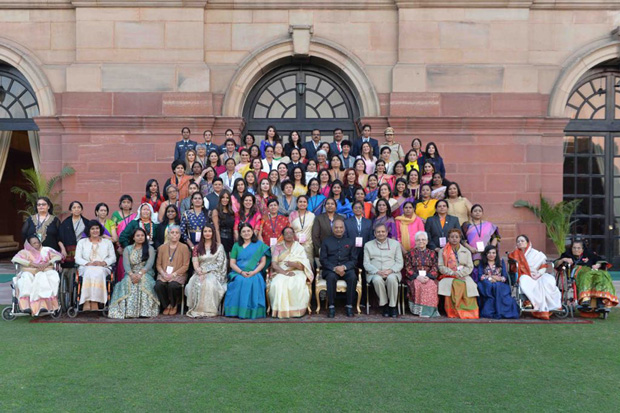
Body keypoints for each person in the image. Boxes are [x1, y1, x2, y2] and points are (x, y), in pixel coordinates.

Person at [108, 228, 159, 319]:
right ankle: (129, 312)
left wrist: (140, 274)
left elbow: (149, 263)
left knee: (143, 281)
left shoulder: (150, 249)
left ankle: (145, 311)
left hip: (145, 273)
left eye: (142, 235)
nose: (140, 237)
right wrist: (131, 275)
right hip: (130, 273)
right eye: (138, 236)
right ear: (133, 238)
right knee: (128, 282)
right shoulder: (128, 249)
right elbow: (126, 265)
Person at [555, 240, 618, 313]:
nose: (576, 250)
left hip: (592, 271)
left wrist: (598, 265)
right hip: (578, 273)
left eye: (578, 248)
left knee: (603, 275)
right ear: (571, 248)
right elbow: (556, 263)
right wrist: (564, 259)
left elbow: (599, 260)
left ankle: (600, 301)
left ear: (583, 249)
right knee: (586, 275)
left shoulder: (589, 254)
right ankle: (585, 299)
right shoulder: (567, 255)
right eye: (574, 248)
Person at [508, 235, 561, 320]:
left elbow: (543, 266)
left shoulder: (537, 254)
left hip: (538, 274)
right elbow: (513, 268)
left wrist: (539, 274)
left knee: (548, 280)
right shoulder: (514, 254)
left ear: (527, 242)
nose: (520, 243)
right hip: (524, 275)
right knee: (525, 280)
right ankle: (533, 303)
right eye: (518, 241)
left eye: (522, 241)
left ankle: (551, 305)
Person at [224, 223, 270, 319]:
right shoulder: (236, 246)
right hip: (238, 272)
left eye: (248, 231)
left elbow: (263, 262)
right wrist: (241, 272)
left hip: (255, 272)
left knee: (254, 280)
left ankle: (253, 311)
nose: (246, 233)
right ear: (240, 234)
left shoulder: (259, 245)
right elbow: (232, 263)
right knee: (240, 280)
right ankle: (236, 311)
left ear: (252, 232)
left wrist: (254, 272)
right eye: (243, 231)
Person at [11, 235, 62, 315]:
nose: (37, 244)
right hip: (30, 272)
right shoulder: (25, 252)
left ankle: (43, 306)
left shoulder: (46, 250)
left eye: (38, 242)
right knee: (26, 278)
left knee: (42, 277)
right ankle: (26, 307)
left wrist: (48, 263)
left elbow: (58, 256)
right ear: (29, 245)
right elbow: (15, 259)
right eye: (34, 243)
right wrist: (32, 264)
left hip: (45, 271)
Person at [269, 227, 313, 318]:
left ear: (294, 235)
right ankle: (281, 310)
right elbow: (274, 265)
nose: (289, 235)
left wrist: (294, 264)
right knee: (277, 283)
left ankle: (297, 311)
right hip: (280, 271)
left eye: (290, 233)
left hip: (297, 271)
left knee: (297, 282)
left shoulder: (299, 248)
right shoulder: (278, 247)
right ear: (283, 235)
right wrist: (285, 273)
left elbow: (303, 266)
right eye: (286, 233)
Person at [186, 224, 228, 318]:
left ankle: (209, 310)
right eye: (205, 231)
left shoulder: (219, 247)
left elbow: (219, 264)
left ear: (213, 233)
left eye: (209, 231)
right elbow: (195, 261)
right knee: (193, 283)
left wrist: (205, 270)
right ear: (202, 233)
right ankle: (197, 309)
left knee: (208, 283)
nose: (207, 233)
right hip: (200, 271)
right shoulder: (197, 247)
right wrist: (198, 270)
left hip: (215, 271)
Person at [320, 220, 359, 318]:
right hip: (330, 269)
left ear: (344, 229)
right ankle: (331, 306)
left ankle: (349, 306)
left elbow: (354, 260)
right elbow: (323, 260)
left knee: (353, 277)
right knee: (331, 277)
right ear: (332, 229)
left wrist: (344, 267)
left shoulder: (350, 241)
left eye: (341, 227)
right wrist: (334, 268)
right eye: (336, 228)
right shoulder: (326, 241)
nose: (339, 230)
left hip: (346, 268)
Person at [75, 220, 117, 311]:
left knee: (98, 271)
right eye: (92, 229)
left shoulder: (107, 242)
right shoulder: (82, 242)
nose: (95, 231)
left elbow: (113, 258)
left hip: (103, 267)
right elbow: (77, 258)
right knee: (89, 271)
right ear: (88, 230)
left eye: (97, 228)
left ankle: (95, 302)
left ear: (100, 230)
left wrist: (103, 263)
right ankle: (86, 301)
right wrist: (88, 263)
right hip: (85, 267)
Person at [363, 224, 403, 317]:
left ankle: (392, 306)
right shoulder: (368, 245)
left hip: (392, 272)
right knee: (377, 280)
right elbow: (366, 263)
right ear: (374, 233)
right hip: (375, 273)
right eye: (378, 232)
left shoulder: (395, 244)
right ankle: (384, 305)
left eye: (383, 231)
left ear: (387, 232)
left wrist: (390, 270)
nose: (381, 234)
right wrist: (377, 271)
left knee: (392, 279)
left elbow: (399, 262)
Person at [438, 228, 478, 319]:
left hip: (464, 275)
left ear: (460, 238)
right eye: (452, 237)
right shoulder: (442, 251)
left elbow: (470, 267)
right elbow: (441, 266)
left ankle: (468, 312)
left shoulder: (466, 251)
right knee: (455, 284)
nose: (454, 239)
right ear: (448, 238)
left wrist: (459, 274)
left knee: (467, 285)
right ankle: (453, 312)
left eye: (457, 237)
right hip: (448, 275)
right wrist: (453, 273)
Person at [155, 225, 190, 315]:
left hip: (178, 274)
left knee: (172, 285)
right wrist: (163, 273)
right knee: (158, 285)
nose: (174, 235)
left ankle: (174, 305)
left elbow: (186, 266)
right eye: (172, 232)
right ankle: (167, 305)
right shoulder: (162, 248)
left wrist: (173, 275)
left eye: (177, 233)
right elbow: (158, 264)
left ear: (180, 235)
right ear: (168, 234)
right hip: (164, 274)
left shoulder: (184, 247)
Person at [477, 245, 519, 319]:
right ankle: (489, 311)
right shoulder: (482, 262)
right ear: (486, 254)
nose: (491, 255)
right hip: (486, 283)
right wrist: (490, 278)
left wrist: (498, 279)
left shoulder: (500, 261)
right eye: (489, 253)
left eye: (493, 253)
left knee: (497, 286)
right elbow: (480, 276)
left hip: (499, 282)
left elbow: (505, 276)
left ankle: (501, 311)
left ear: (496, 254)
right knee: (490, 285)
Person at [404, 231, 440, 317]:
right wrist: (418, 277)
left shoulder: (432, 253)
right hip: (415, 277)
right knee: (418, 284)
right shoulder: (410, 254)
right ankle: (419, 311)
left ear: (427, 241)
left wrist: (428, 277)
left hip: (429, 277)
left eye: (423, 239)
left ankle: (430, 311)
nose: (421, 241)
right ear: (415, 241)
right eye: (418, 240)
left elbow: (435, 267)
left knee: (431, 285)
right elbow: (408, 268)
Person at [462, 204, 500, 269]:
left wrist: (490, 249)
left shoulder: (488, 225)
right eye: (475, 211)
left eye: (479, 211)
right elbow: (462, 239)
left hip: (487, 253)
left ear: (482, 213)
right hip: (472, 252)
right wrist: (470, 248)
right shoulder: (466, 225)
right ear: (471, 213)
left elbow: (496, 237)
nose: (477, 212)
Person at [111, 195, 137, 281]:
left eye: (128, 202)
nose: (126, 204)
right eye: (124, 202)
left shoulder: (135, 216)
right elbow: (113, 230)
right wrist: (118, 246)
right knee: (119, 266)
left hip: (131, 245)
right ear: (120, 204)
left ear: (131, 204)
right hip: (118, 245)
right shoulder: (115, 214)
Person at [58, 201, 89, 268]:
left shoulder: (86, 222)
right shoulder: (65, 223)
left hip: (83, 250)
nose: (76, 209)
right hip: (69, 252)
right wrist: (63, 249)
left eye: (78, 207)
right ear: (71, 211)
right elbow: (59, 238)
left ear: (81, 210)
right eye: (74, 208)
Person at [289, 195, 315, 264]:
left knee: (308, 265)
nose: (302, 203)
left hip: (308, 245)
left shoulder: (312, 216)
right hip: (295, 244)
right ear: (297, 204)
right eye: (300, 202)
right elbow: (289, 230)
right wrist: (295, 239)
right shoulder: (292, 215)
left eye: (304, 202)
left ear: (307, 204)